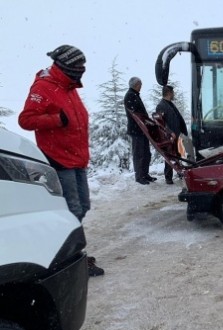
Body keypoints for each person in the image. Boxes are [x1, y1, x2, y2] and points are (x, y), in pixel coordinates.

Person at [18, 44, 104, 277]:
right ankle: (69, 259)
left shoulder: (68, 87)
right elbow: (25, 119)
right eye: (79, 67)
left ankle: (67, 254)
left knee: (82, 206)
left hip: (76, 158)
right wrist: (57, 119)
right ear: (67, 67)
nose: (82, 71)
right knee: (71, 210)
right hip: (59, 159)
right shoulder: (44, 87)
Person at [124, 77, 155, 185]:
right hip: (136, 130)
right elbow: (136, 114)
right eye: (140, 84)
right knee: (139, 154)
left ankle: (145, 174)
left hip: (142, 129)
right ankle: (139, 176)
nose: (141, 86)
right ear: (135, 85)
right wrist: (145, 121)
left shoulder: (135, 95)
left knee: (146, 153)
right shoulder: (130, 96)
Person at [155, 85, 188, 185]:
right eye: (173, 92)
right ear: (169, 92)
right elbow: (161, 123)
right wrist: (170, 133)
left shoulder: (170, 104)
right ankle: (168, 177)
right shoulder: (161, 106)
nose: (174, 94)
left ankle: (179, 172)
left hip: (177, 135)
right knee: (170, 156)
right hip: (170, 137)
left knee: (178, 154)